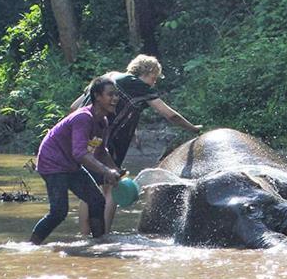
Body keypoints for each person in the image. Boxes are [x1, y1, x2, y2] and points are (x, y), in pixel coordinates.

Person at [70, 54, 203, 234]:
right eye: (153, 78)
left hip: (86, 137)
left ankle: (85, 235)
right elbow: (169, 114)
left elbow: (74, 106)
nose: (153, 84)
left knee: (90, 186)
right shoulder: (137, 85)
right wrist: (193, 128)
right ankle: (103, 235)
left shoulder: (108, 77)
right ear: (147, 72)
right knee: (111, 187)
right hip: (106, 140)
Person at [29, 76, 121, 245]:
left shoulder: (103, 121)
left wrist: (116, 170)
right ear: (97, 96)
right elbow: (80, 153)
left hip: (70, 164)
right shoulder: (83, 118)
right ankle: (30, 246)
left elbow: (100, 151)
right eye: (110, 95)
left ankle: (98, 244)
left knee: (97, 200)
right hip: (52, 163)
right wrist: (106, 172)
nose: (115, 99)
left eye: (116, 95)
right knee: (59, 211)